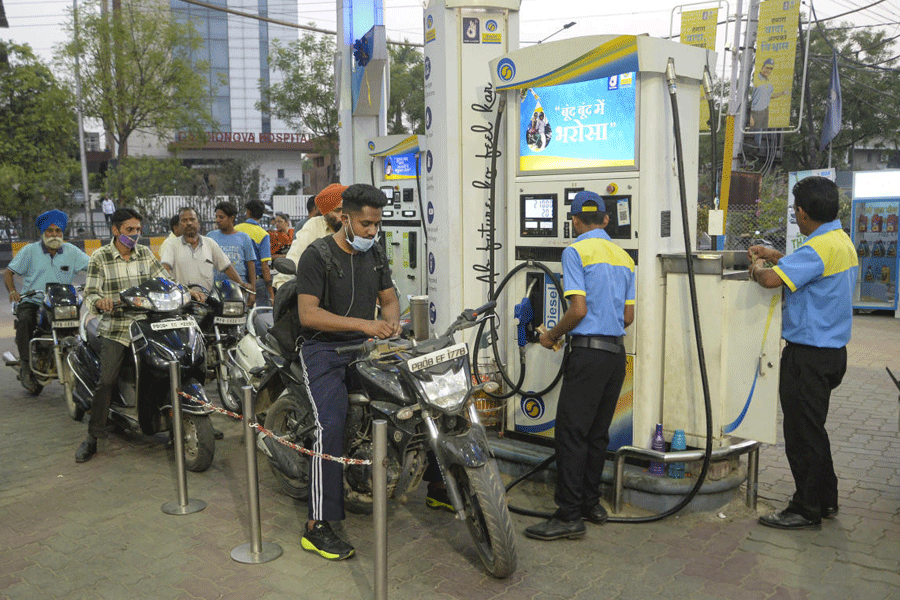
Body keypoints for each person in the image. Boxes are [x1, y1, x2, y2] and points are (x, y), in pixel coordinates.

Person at [295, 183, 400, 560]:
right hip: (323, 349)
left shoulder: (375, 253)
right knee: (331, 424)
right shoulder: (316, 255)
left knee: (412, 401)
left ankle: (438, 488)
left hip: (364, 349)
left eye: (377, 224)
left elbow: (388, 298)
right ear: (345, 218)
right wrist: (365, 325)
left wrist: (391, 322)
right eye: (366, 223)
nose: (373, 231)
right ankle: (317, 525)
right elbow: (308, 314)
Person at [524, 191, 634, 541]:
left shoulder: (574, 251)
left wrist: (551, 335)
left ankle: (569, 515)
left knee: (571, 434)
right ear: (604, 219)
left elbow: (578, 310)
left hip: (587, 356)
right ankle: (590, 502)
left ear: (574, 221)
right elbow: (628, 316)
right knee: (598, 433)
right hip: (615, 356)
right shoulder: (624, 257)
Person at [748, 176, 857, 530]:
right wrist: (775, 256)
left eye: (796, 209)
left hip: (808, 356)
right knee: (814, 429)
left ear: (803, 213)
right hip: (832, 353)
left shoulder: (818, 248)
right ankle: (825, 499)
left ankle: (805, 507)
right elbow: (806, 269)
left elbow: (770, 281)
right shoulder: (839, 242)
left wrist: (757, 267)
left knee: (801, 434)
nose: (795, 215)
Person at [75, 207, 168, 463]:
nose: (136, 234)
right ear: (115, 230)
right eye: (130, 230)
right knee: (107, 380)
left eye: (138, 229)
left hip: (145, 326)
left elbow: (164, 280)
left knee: (169, 366)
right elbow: (90, 293)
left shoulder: (146, 253)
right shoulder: (100, 257)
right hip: (116, 328)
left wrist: (186, 291)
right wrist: (100, 302)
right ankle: (93, 437)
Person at [4, 210, 89, 390]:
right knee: (25, 320)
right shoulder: (29, 251)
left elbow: (94, 268)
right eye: (50, 231)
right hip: (33, 300)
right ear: (43, 233)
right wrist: (12, 291)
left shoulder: (72, 251)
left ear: (62, 233)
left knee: (81, 329)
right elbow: (9, 273)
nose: (54, 235)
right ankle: (26, 367)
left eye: (58, 231)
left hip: (61, 302)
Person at [159, 207, 246, 299]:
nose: (189, 223)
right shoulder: (171, 245)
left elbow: (227, 267)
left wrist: (242, 285)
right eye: (184, 220)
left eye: (192, 219)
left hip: (207, 301)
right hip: (181, 300)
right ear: (180, 225)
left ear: (198, 223)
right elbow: (164, 271)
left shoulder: (210, 243)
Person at [273, 183, 346, 290]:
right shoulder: (314, 226)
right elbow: (295, 259)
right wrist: (283, 290)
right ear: (325, 212)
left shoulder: (355, 227)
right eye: (337, 210)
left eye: (345, 210)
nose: (342, 215)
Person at [206, 201, 257, 308]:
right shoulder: (210, 236)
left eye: (221, 217)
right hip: (215, 289)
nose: (217, 220)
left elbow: (251, 265)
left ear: (232, 218)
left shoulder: (244, 238)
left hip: (239, 290)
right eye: (216, 217)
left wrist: (252, 291)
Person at [234, 200, 273, 306]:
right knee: (262, 314)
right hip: (257, 280)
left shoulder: (236, 229)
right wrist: (271, 294)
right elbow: (265, 266)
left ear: (248, 212)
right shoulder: (263, 235)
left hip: (237, 278)